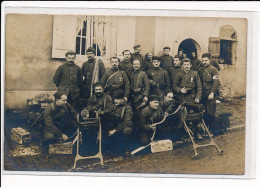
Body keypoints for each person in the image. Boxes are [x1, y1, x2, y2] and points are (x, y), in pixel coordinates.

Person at [105, 89, 133, 157]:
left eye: (117, 99)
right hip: (115, 126)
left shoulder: (127, 108)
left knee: (127, 131)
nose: (115, 101)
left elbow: (127, 122)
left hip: (124, 127)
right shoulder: (113, 106)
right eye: (114, 99)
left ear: (123, 99)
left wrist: (115, 130)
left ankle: (127, 148)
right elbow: (107, 113)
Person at [198, 53, 220, 135]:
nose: (204, 62)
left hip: (210, 94)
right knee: (204, 112)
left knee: (210, 112)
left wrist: (212, 93)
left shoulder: (214, 70)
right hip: (203, 94)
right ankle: (205, 131)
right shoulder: (200, 70)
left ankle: (211, 131)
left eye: (206, 60)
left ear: (209, 60)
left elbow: (216, 82)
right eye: (203, 60)